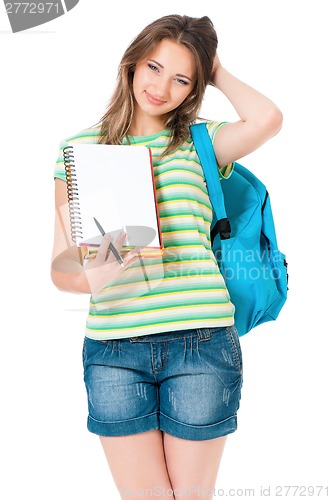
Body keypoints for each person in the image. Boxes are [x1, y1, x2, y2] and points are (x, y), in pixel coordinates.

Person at [51, 14, 282, 500]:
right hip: (115, 347)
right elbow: (63, 271)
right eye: (154, 68)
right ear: (132, 64)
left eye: (182, 78)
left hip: (200, 341)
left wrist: (213, 66)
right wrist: (120, 246)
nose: (161, 87)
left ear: (195, 88)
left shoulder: (201, 142)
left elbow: (267, 120)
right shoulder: (80, 150)